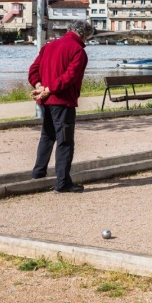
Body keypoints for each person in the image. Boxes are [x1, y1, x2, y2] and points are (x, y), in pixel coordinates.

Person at [28, 20, 93, 193]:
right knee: (65, 141)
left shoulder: (49, 46)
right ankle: (62, 182)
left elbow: (33, 69)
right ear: (84, 34)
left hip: (45, 101)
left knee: (47, 136)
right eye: (87, 36)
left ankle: (38, 173)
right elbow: (69, 76)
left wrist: (39, 86)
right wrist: (50, 89)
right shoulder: (78, 50)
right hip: (63, 101)